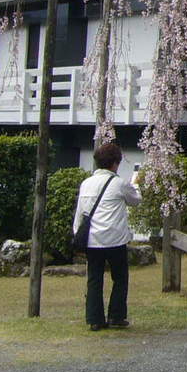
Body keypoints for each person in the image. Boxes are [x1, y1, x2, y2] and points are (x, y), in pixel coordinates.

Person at [73, 141, 141, 331]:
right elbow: (136, 201)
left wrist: (78, 234)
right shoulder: (118, 183)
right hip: (114, 239)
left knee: (94, 278)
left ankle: (95, 319)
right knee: (120, 277)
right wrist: (136, 184)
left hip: (92, 239)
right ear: (115, 163)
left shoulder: (86, 183)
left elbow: (80, 213)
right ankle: (116, 316)